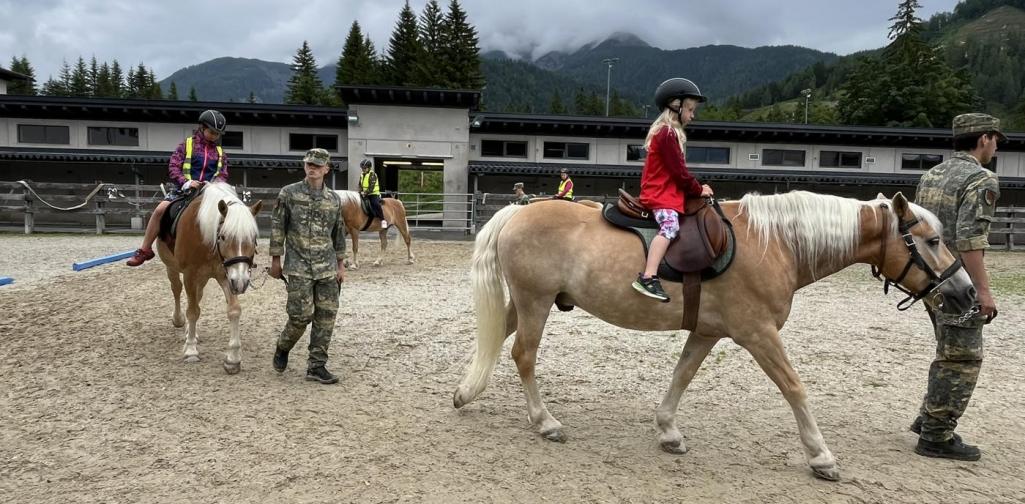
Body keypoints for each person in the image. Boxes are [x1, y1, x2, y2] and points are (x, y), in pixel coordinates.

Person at [909, 113, 1004, 461]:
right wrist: (983, 291)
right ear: (983, 139)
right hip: (957, 283)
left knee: (947, 349)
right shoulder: (981, 179)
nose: (996, 146)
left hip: (929, 279)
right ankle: (936, 434)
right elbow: (970, 240)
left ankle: (927, 417)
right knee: (963, 357)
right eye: (995, 138)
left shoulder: (931, 174)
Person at [630, 78, 714, 302]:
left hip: (666, 192)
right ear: (675, 107)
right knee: (670, 226)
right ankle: (648, 277)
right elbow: (679, 173)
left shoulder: (668, 133)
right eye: (690, 109)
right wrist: (698, 189)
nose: (692, 115)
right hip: (660, 194)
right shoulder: (667, 134)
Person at [269, 148, 347, 385]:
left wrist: (341, 266)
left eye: (317, 165)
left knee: (326, 317)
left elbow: (339, 233)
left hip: (327, 268)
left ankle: (316, 366)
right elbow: (277, 227)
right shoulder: (289, 194)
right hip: (299, 266)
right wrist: (275, 259)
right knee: (300, 317)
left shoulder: (333, 199)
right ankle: (283, 346)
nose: (312, 168)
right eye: (308, 164)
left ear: (326, 169)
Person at [126, 109, 228, 266]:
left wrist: (214, 184)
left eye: (217, 134)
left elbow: (223, 173)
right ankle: (145, 249)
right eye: (211, 132)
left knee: (230, 213)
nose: (214, 136)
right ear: (202, 127)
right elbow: (173, 166)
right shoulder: (186, 145)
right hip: (183, 190)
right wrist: (186, 181)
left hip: (210, 193)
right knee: (160, 210)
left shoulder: (220, 152)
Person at [359, 158, 387, 228]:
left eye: (365, 168)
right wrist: (360, 191)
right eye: (362, 168)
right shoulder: (362, 175)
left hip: (373, 194)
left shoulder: (372, 175)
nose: (363, 169)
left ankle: (383, 220)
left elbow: (371, 186)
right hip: (364, 194)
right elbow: (360, 184)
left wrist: (365, 193)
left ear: (369, 168)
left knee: (375, 204)